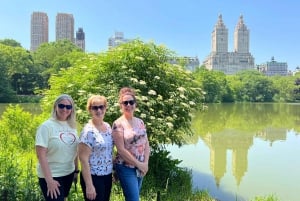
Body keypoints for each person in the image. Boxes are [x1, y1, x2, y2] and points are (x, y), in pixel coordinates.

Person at [35, 94, 79, 201]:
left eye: (68, 107)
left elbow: (75, 151)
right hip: (52, 175)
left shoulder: (72, 126)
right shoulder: (46, 126)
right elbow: (41, 155)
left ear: (72, 109)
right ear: (55, 106)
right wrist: (49, 180)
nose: (65, 109)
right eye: (61, 106)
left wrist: (76, 171)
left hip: (68, 172)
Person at [112, 87, 150, 201]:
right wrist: (139, 164)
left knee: (134, 197)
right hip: (126, 167)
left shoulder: (140, 122)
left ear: (135, 104)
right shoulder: (118, 124)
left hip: (140, 168)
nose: (128, 105)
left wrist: (145, 164)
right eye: (125, 103)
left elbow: (146, 143)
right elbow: (121, 150)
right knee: (134, 199)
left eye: (131, 102)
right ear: (121, 105)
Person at [79, 95, 113, 201]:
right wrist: (89, 185)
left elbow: (109, 151)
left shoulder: (107, 127)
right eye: (95, 108)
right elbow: (83, 160)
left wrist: (114, 170)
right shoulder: (88, 131)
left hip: (107, 176)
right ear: (90, 110)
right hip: (93, 177)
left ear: (105, 108)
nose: (99, 110)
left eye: (101, 107)